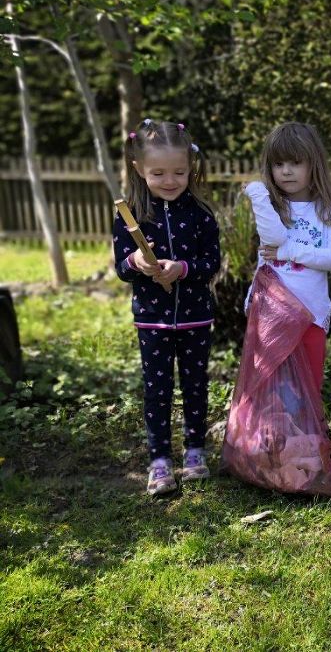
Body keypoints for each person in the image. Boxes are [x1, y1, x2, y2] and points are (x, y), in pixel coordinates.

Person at [113, 119, 221, 496]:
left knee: (195, 385)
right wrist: (136, 264)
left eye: (178, 171)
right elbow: (120, 268)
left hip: (195, 316)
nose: (170, 180)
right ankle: (159, 460)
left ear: (190, 166)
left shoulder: (202, 213)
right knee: (157, 389)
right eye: (158, 172)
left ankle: (194, 451)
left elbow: (211, 264)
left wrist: (183, 269)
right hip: (152, 319)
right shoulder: (129, 216)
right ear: (138, 170)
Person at [243, 122, 331, 398]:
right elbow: (264, 259)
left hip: (311, 314)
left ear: (313, 164)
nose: (286, 170)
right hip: (272, 314)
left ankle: (305, 438)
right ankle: (275, 438)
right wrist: (251, 297)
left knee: (307, 386)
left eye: (296, 162)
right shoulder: (272, 209)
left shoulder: (327, 211)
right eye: (279, 163)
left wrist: (290, 251)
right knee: (272, 386)